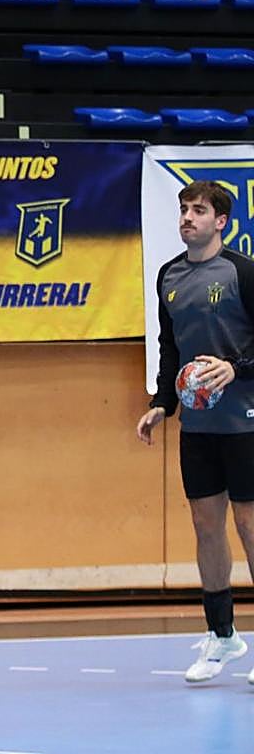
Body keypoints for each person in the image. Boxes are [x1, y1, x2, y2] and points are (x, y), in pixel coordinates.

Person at [137, 179, 254, 685]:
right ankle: (222, 635)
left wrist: (237, 367)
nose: (187, 217)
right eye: (184, 209)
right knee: (207, 527)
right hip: (199, 426)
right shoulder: (169, 275)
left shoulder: (243, 273)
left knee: (249, 526)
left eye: (199, 210)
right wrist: (162, 403)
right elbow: (171, 346)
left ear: (221, 221)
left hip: (246, 421)